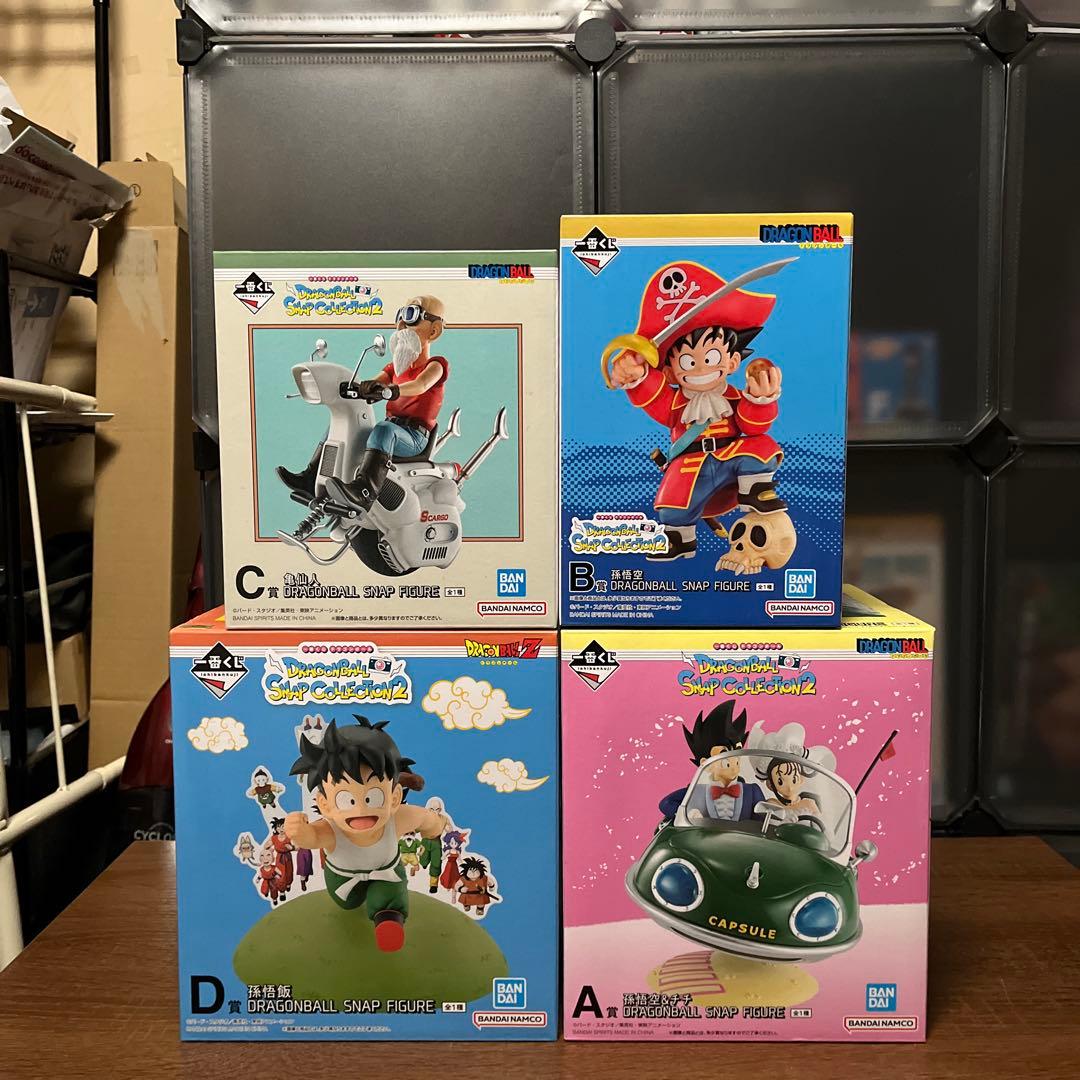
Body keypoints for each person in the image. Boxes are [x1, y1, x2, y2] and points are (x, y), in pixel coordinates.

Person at [606, 262, 787, 562]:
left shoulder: (734, 397)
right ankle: (679, 539)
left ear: (732, 362)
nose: (701, 368)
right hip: (690, 467)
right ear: (671, 372)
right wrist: (636, 375)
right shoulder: (676, 404)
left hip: (731, 460)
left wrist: (760, 398)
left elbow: (753, 425)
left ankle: (756, 489)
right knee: (671, 501)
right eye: (688, 362)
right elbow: (654, 397)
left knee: (760, 445)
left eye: (712, 356)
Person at [284, 716, 447, 952]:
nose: (361, 810)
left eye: (373, 797)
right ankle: (361, 902)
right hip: (342, 879)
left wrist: (436, 827)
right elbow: (312, 838)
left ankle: (389, 920)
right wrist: (299, 831)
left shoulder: (398, 818)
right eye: (346, 799)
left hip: (386, 871)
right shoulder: (330, 829)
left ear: (394, 798)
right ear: (325, 805)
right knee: (348, 904)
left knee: (390, 897)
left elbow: (425, 819)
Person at [658, 700, 765, 821]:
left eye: (737, 753)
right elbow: (666, 803)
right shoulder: (696, 792)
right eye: (724, 754)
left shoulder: (752, 791)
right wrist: (688, 813)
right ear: (705, 763)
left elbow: (763, 817)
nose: (733, 760)